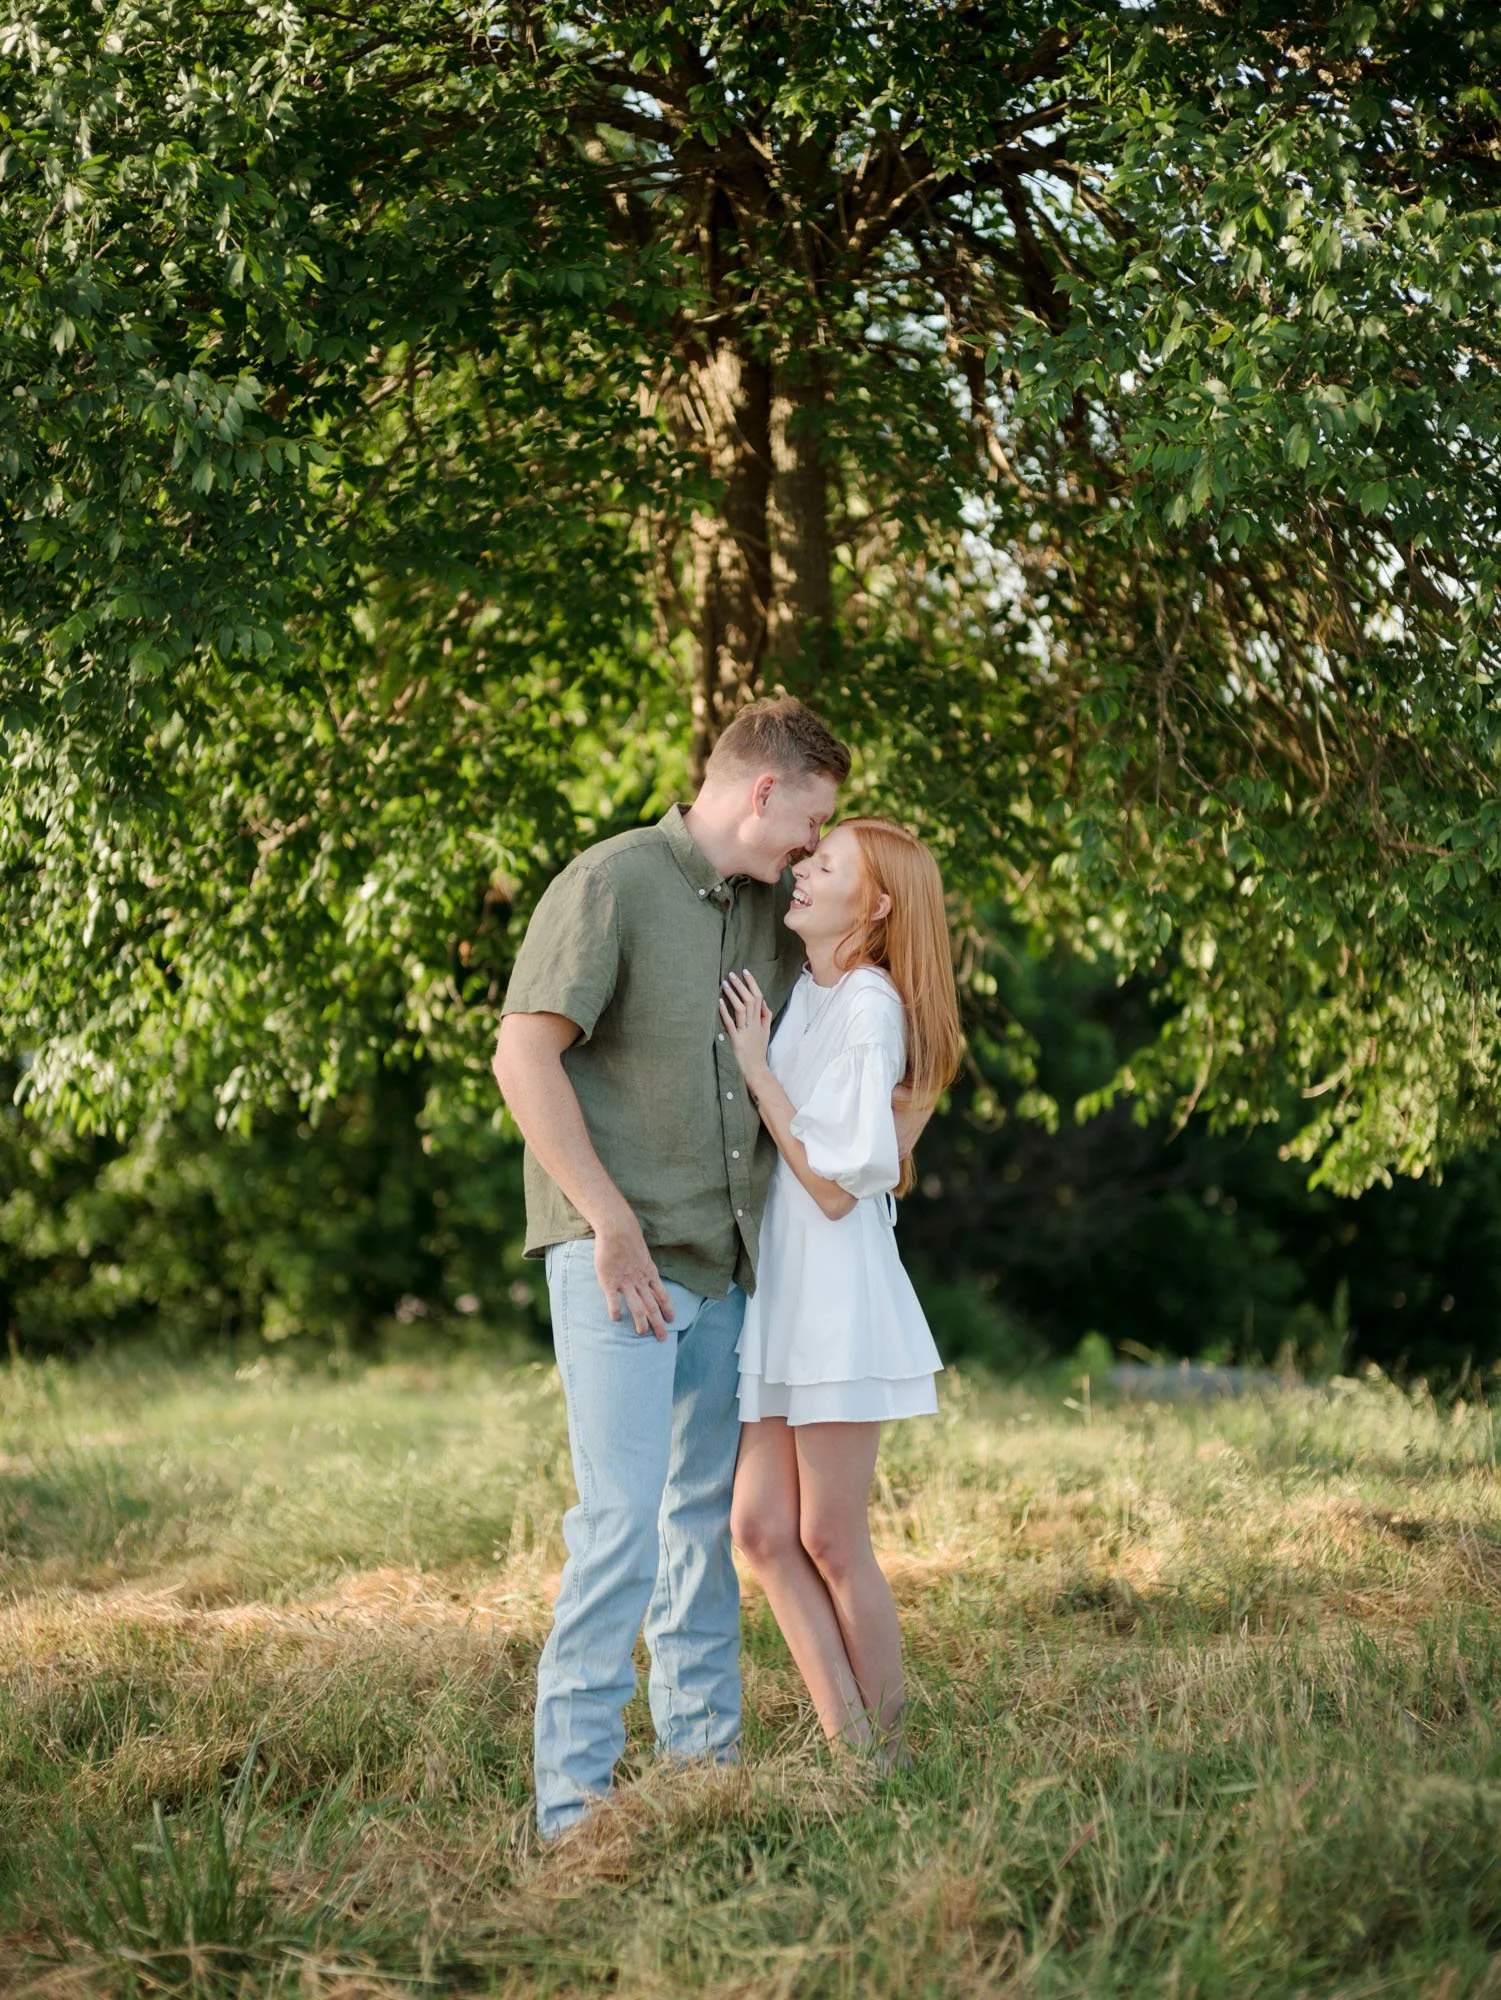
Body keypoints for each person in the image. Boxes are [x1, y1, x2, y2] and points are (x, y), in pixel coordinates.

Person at [491, 697, 863, 1840]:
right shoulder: (608, 882)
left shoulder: (770, 910)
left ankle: (702, 1788)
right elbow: (522, 1054)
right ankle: (574, 1819)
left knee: (697, 1526)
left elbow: (858, 982)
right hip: (621, 1267)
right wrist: (604, 1220)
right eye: (812, 817)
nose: (813, 842)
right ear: (763, 791)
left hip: (727, 1271)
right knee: (617, 1526)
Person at [717, 817, 963, 1765]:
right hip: (782, 1293)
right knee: (760, 1528)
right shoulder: (808, 995)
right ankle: (849, 1742)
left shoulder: (867, 1003)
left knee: (828, 1533)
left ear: (876, 907)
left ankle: (885, 1758)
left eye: (827, 866)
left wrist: (755, 1070)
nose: (804, 872)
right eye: (808, 859)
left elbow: (828, 1184)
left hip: (835, 1295)